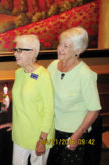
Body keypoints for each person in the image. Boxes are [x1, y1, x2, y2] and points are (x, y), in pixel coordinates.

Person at [47, 27, 101, 165]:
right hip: (53, 129)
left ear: (78, 51)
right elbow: (39, 81)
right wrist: (29, 73)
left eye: (66, 46)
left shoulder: (85, 75)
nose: (60, 48)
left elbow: (94, 110)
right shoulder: (53, 66)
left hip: (73, 133)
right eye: (60, 44)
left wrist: (77, 135)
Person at [0, 35, 55, 165]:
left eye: (20, 50)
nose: (15, 54)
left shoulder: (43, 76)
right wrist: (16, 124)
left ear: (33, 52)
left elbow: (49, 110)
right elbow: (23, 105)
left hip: (39, 136)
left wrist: (42, 139)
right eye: (15, 49)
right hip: (20, 134)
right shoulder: (19, 73)